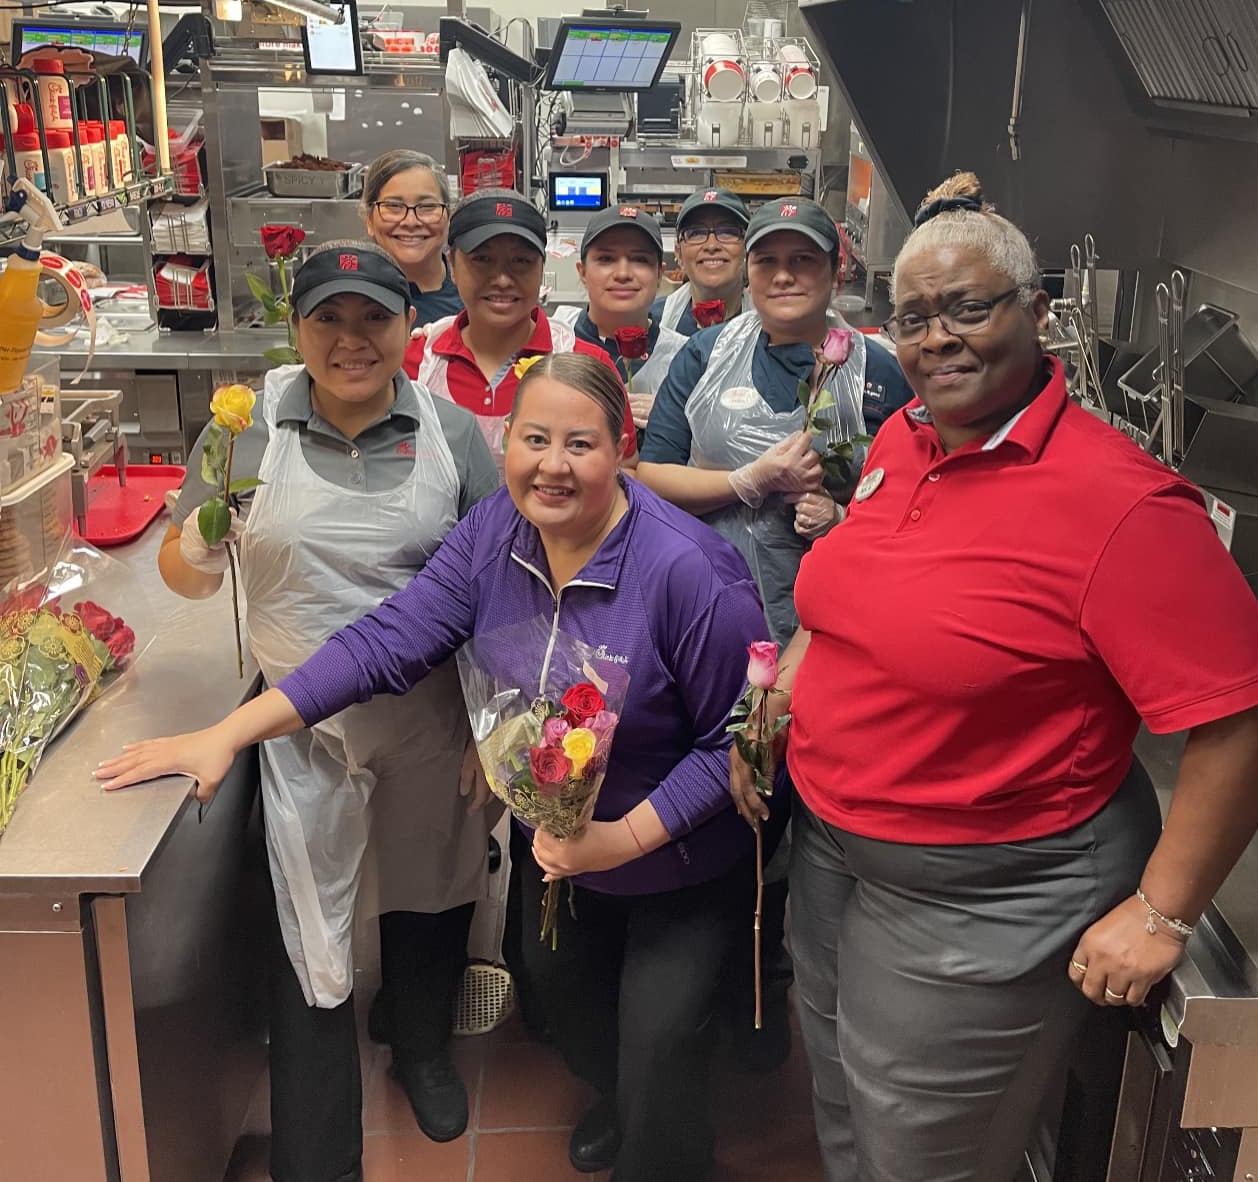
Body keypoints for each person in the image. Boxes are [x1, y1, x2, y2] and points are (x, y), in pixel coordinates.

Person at [729, 173, 1258, 1182]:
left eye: (968, 307)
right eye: (914, 317)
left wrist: (1164, 911)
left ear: (1036, 314)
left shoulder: (1121, 506)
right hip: (835, 852)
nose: (937, 336)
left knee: (922, 1155)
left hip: (980, 894)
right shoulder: (904, 440)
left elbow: (1243, 723)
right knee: (845, 1104)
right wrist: (781, 697)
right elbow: (844, 604)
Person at [100, 353, 769, 1182]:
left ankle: (660, 1135)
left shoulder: (688, 571)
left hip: (675, 859)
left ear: (622, 447)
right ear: (508, 445)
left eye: (581, 444)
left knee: (662, 1046)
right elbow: (387, 641)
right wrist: (233, 731)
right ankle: (621, 1097)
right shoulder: (496, 533)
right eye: (534, 439)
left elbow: (736, 748)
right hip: (564, 856)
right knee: (564, 1005)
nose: (552, 465)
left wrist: (619, 839)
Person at [162, 239, 498, 1182]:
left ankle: (424, 1051)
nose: (353, 342)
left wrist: (490, 723)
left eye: (374, 319)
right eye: (328, 320)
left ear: (407, 325)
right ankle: (319, 1154)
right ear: (297, 327)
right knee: (312, 929)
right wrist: (200, 538)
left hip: (430, 712)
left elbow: (493, 587)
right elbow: (183, 582)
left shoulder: (452, 432)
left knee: (432, 889)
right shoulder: (246, 427)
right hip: (298, 728)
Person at [640, 195, 912, 645]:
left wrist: (842, 517)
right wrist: (747, 480)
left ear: (835, 269)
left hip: (835, 621)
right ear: (750, 270)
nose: (783, 275)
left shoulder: (879, 375)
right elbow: (650, 480)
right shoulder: (706, 356)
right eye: (767, 261)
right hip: (708, 605)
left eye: (803, 260)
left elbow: (909, 507)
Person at [414, 186, 636, 466]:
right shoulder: (416, 361)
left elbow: (626, 473)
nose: (503, 279)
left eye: (521, 261)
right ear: (452, 264)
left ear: (541, 267)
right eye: (482, 259)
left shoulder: (591, 365)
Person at [567, 202, 688, 430]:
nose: (623, 274)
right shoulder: (555, 343)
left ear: (660, 273)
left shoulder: (684, 358)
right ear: (582, 272)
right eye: (606, 259)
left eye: (640, 259)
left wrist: (678, 417)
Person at [362, 150, 463, 348]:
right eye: (393, 206)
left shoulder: (473, 294)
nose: (410, 221)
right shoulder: (350, 296)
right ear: (369, 219)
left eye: (426, 207)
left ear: (448, 216)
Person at [658, 187, 751, 335]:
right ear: (678, 253)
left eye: (727, 231)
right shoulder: (651, 325)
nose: (712, 246)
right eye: (696, 233)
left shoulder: (774, 329)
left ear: (747, 248)